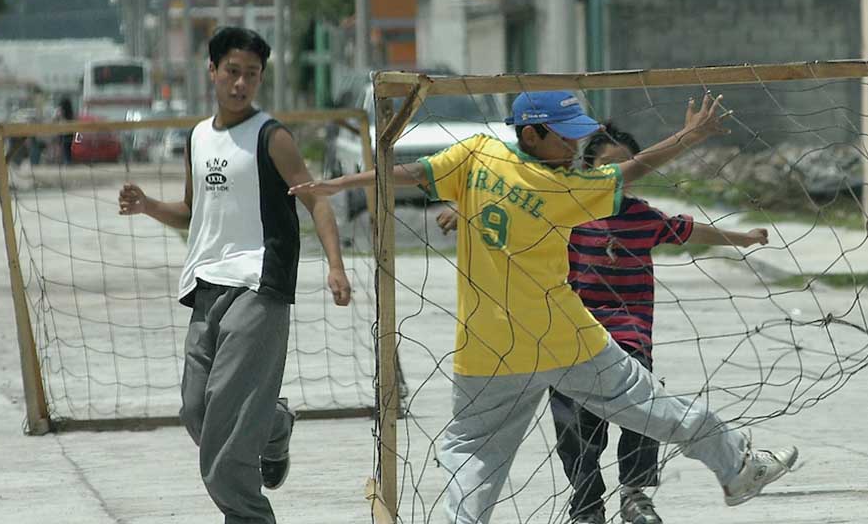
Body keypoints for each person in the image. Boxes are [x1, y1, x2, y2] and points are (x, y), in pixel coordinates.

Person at [291, 90, 799, 524]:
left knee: (473, 452)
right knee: (655, 407)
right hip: (562, 338)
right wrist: (688, 137)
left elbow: (411, 172)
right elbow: (634, 168)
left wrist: (344, 182)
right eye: (565, 135)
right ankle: (736, 470)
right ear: (531, 135)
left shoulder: (476, 154)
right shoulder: (562, 189)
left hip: (484, 348)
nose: (576, 144)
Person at [434, 123, 772, 523]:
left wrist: (742, 238)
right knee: (575, 429)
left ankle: (635, 492)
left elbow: (687, 229)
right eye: (610, 166)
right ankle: (586, 501)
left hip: (628, 335)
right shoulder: (569, 214)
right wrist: (465, 207)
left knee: (645, 413)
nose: (620, 176)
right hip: (567, 338)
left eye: (627, 167)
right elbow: (516, 209)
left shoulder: (642, 217)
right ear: (590, 169)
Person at [117, 27, 352, 524]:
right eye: (232, 72)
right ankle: (275, 426)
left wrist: (334, 264)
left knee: (224, 457)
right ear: (212, 71)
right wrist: (147, 206)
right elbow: (191, 212)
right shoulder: (198, 137)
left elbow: (316, 200)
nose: (241, 83)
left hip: (258, 286)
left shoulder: (273, 137)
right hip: (206, 286)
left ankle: (247, 515)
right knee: (196, 411)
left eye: (252, 74)